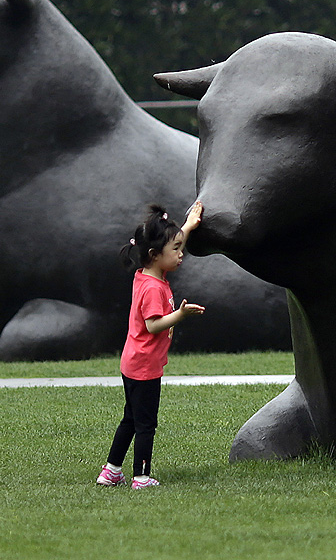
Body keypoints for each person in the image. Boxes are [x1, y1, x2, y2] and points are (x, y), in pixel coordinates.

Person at [97, 202, 205, 489]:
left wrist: (188, 226)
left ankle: (110, 472)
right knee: (145, 424)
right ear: (155, 255)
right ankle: (141, 477)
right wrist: (180, 315)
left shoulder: (147, 274)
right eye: (176, 250)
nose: (181, 254)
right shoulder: (154, 288)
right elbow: (152, 325)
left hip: (133, 362)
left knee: (130, 420)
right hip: (144, 368)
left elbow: (167, 247)